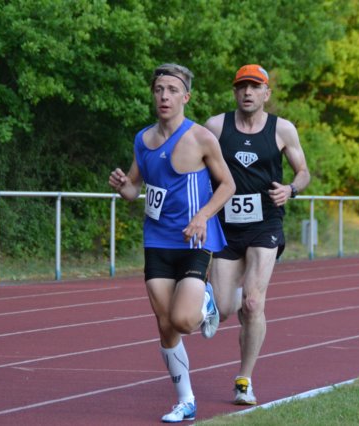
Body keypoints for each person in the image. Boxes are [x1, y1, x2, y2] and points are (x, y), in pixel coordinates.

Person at [108, 63, 235, 423]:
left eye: (172, 90)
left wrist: (203, 216)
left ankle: (207, 300)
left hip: (194, 239)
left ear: (186, 97)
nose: (164, 96)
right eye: (159, 89)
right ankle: (186, 400)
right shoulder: (142, 139)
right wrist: (123, 186)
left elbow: (228, 185)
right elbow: (134, 190)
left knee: (182, 320)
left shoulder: (200, 138)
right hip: (157, 240)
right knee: (165, 324)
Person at [204, 64, 310, 406]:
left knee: (253, 303)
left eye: (255, 87)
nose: (248, 92)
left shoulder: (283, 129)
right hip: (225, 226)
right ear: (235, 92)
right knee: (222, 309)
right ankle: (233, 293)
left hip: (265, 224)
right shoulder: (216, 127)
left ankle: (244, 380)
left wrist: (291, 190)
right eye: (242, 87)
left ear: (267, 93)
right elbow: (194, 164)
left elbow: (303, 172)